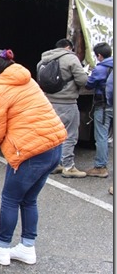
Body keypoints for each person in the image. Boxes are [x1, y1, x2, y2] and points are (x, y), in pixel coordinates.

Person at [0, 49, 66, 266]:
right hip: (53, 146)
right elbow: (21, 113)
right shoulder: (25, 79)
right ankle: (27, 247)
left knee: (10, 199)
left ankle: (1, 248)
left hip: (29, 151)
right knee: (29, 199)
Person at [38, 38, 88, 178]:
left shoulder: (43, 60)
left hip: (48, 102)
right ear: (69, 47)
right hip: (67, 103)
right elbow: (82, 80)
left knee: (51, 135)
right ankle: (68, 167)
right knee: (69, 135)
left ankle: (53, 164)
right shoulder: (71, 59)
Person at [84, 42, 113, 178]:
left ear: (99, 56)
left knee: (101, 136)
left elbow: (89, 85)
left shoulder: (100, 69)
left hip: (104, 106)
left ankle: (100, 167)